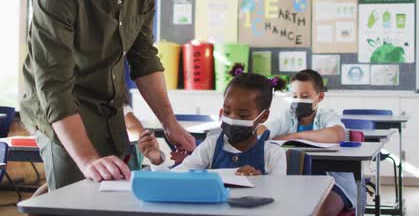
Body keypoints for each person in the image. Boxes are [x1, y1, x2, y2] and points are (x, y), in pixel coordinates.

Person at [20, 0, 195, 190]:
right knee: (76, 197)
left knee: (122, 193)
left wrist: (169, 121)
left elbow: (143, 55)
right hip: (63, 108)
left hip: (109, 104)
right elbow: (54, 85)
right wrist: (88, 160)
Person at [139, 63, 287, 175]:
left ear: (264, 116)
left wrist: (262, 183)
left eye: (243, 116)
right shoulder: (210, 147)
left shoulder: (274, 155)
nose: (232, 119)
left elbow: (279, 199)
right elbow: (175, 180)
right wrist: (157, 160)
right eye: (227, 112)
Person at [257, 69, 355, 215]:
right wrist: (257, 129)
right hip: (296, 179)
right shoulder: (287, 116)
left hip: (333, 181)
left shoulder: (326, 116)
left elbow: (338, 134)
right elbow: (264, 130)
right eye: (294, 96)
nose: (298, 100)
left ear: (320, 97)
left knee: (321, 211)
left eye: (305, 96)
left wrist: (295, 136)